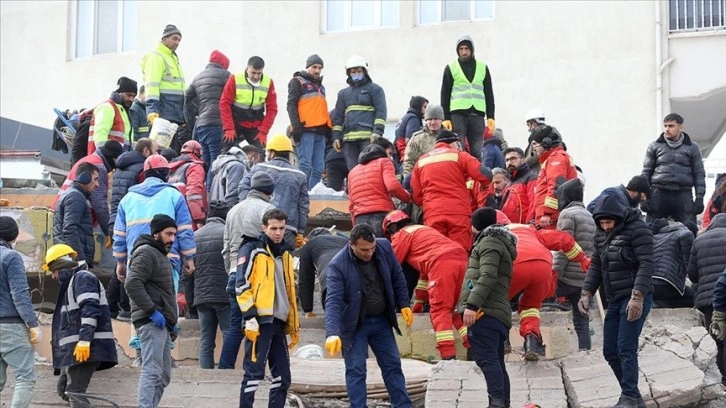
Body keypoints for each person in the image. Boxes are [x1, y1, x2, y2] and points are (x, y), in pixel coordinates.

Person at [113, 154, 197, 363]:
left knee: (138, 304)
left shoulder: (128, 199)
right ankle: (163, 355)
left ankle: (141, 356)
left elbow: (119, 234)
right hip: (169, 260)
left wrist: (120, 262)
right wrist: (189, 257)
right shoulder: (173, 195)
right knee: (167, 303)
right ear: (165, 174)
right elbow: (185, 229)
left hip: (137, 258)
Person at [324, 224, 413, 408]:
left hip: (381, 321)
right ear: (352, 245)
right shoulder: (338, 265)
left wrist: (404, 303)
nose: (369, 253)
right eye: (364, 250)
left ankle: (403, 405)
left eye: (372, 248)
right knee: (356, 370)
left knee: (393, 366)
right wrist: (332, 332)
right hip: (355, 325)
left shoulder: (384, 247)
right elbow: (333, 300)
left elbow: (397, 275)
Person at [579, 195, 654, 408]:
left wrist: (638, 296)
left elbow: (646, 264)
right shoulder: (601, 235)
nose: (605, 227)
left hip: (635, 296)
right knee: (610, 351)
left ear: (618, 218)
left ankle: (629, 396)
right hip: (614, 299)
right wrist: (586, 291)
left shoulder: (638, 230)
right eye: (601, 223)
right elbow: (596, 265)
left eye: (608, 223)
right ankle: (634, 397)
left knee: (625, 347)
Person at [384, 210, 469, 360]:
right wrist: (419, 302)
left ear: (392, 228)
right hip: (460, 258)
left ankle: (448, 356)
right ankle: (472, 345)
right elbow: (425, 274)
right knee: (454, 310)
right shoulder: (425, 232)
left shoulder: (402, 234)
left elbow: (392, 265)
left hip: (441, 262)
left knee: (440, 310)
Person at [235, 209, 300, 408]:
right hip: (260, 322)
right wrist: (250, 316)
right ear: (264, 228)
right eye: (273, 228)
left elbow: (288, 290)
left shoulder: (286, 254)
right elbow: (241, 284)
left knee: (283, 377)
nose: (278, 232)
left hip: (279, 322)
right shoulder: (252, 249)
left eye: (281, 228)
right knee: (253, 374)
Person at [505, 219, 590, 360]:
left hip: (516, 266)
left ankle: (503, 342)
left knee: (500, 303)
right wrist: (583, 260)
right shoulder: (534, 233)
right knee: (530, 307)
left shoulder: (501, 234)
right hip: (543, 267)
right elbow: (564, 239)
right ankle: (531, 342)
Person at [45, 244, 117, 406]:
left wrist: (84, 341)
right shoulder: (72, 282)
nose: (53, 276)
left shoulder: (82, 278)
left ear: (59, 265)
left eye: (52, 270)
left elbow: (90, 310)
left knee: (75, 392)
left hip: (84, 349)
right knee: (67, 391)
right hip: (74, 351)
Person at [459, 208, 516, 408]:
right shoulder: (499, 242)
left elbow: (487, 276)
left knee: (487, 359)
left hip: (485, 312)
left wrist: (472, 305)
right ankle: (502, 403)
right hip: (497, 313)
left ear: (476, 225)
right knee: (497, 361)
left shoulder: (489, 242)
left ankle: (497, 404)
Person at [218, 171, 276, 369]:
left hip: (235, 272)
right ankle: (251, 370)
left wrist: (232, 271)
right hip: (258, 277)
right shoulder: (269, 210)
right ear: (270, 192)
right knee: (258, 323)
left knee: (236, 326)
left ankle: (225, 369)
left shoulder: (233, 210)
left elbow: (226, 247)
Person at [125, 214, 179, 408]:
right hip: (151, 322)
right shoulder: (147, 252)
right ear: (156, 233)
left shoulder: (159, 254)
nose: (172, 239)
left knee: (163, 375)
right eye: (168, 234)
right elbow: (132, 283)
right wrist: (152, 311)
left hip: (162, 323)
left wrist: (172, 322)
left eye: (174, 234)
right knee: (152, 371)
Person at [411, 129, 492, 251]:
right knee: (461, 250)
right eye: (458, 144)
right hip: (458, 213)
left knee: (437, 252)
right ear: (452, 143)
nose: (459, 147)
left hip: (433, 214)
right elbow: (486, 175)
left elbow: (416, 196)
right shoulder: (459, 155)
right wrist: (485, 185)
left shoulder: (421, 162)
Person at [107, 139, 158, 319]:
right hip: (133, 220)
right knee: (131, 266)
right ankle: (126, 308)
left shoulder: (120, 168)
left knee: (121, 265)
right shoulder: (141, 170)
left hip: (117, 218)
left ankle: (111, 306)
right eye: (155, 151)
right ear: (146, 151)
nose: (157, 155)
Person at [238, 134, 308, 249]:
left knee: (259, 261)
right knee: (283, 263)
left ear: (272, 153)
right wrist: (300, 232)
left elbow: (242, 186)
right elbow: (303, 207)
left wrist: (247, 207)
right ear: (289, 153)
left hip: (261, 225)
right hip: (287, 228)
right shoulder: (300, 176)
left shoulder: (258, 168)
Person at [0, 216, 40, 408]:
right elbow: (19, 293)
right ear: (14, 237)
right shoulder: (11, 257)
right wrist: (32, 324)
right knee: (25, 377)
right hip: (10, 327)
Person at [552, 179, 596, 350]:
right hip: (584, 278)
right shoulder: (590, 216)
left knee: (532, 300)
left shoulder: (567, 215)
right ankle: (585, 353)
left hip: (567, 277)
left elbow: (563, 246)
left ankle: (534, 344)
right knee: (582, 322)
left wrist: (555, 273)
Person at [641, 113, 706, 230]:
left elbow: (699, 173)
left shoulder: (693, 147)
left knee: (689, 229)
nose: (667, 129)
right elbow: (646, 172)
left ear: (680, 127)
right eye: (665, 126)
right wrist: (644, 197)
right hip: (658, 192)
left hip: (683, 193)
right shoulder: (654, 146)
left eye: (671, 126)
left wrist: (700, 198)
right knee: (650, 230)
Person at [53, 140, 124, 242]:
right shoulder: (98, 167)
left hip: (63, 214)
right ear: (113, 159)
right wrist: (108, 231)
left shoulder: (89, 160)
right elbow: (99, 203)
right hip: (77, 218)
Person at [440, 34, 495, 161]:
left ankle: (476, 177)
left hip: (477, 113)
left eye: (466, 49)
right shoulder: (451, 67)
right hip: (457, 114)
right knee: (459, 148)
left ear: (472, 50)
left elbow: (489, 93)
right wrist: (446, 117)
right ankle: (460, 175)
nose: (464, 52)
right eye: (461, 49)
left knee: (477, 149)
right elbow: (445, 94)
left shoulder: (483, 67)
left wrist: (491, 116)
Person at [688, 212, 726, 388]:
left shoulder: (699, 240)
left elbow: (692, 274)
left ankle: (719, 381)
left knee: (716, 339)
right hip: (723, 292)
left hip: (708, 299)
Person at [331, 55, 387, 170]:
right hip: (348, 141)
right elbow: (338, 118)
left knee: (369, 170)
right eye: (353, 71)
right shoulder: (343, 94)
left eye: (359, 71)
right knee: (353, 172)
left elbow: (381, 113)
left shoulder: (375, 90)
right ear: (349, 73)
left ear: (365, 72)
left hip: (368, 138)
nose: (356, 73)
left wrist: (377, 132)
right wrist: (336, 137)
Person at [184, 50, 231, 187]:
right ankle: (210, 195)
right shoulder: (226, 75)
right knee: (216, 162)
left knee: (205, 161)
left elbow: (187, 98)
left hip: (201, 125)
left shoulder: (198, 77)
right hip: (217, 123)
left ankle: (203, 190)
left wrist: (194, 116)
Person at [193, 201, 231, 369]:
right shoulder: (228, 234)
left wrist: (190, 298)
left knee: (206, 339)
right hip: (224, 294)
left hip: (201, 295)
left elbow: (188, 272)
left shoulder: (195, 236)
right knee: (229, 334)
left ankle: (204, 373)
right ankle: (225, 370)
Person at [287, 54, 332, 189]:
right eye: (314, 67)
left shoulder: (321, 86)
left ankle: (309, 195)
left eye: (320, 68)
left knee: (318, 168)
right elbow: (291, 105)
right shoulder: (297, 81)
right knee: (305, 166)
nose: (317, 70)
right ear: (307, 67)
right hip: (305, 130)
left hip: (320, 132)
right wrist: (296, 125)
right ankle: (301, 193)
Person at [142, 24, 188, 153]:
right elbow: (152, 86)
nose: (177, 42)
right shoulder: (157, 57)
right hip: (163, 112)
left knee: (170, 152)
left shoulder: (171, 58)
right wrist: (152, 111)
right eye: (174, 38)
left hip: (172, 113)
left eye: (179, 40)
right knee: (160, 151)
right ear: (164, 38)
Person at [348, 144, 410, 237]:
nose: (390, 157)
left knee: (366, 249)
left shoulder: (353, 171)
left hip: (359, 217)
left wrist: (355, 224)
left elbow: (351, 204)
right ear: (383, 154)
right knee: (382, 248)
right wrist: (407, 198)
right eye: (389, 154)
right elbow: (392, 186)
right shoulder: (384, 162)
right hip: (380, 214)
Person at [220, 56, 278, 153]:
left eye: (259, 73)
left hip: (255, 125)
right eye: (253, 73)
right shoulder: (235, 79)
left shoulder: (268, 82)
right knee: (226, 152)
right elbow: (224, 104)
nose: (256, 76)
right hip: (235, 124)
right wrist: (229, 128)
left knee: (260, 154)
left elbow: (272, 109)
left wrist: (264, 131)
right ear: (247, 69)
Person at [530, 125, 577, 230]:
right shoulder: (552, 159)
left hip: (550, 219)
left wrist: (548, 213)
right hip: (548, 218)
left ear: (546, 143)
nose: (533, 149)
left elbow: (556, 185)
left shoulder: (556, 159)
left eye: (535, 144)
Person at [53, 163, 99, 266]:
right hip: (72, 262)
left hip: (68, 260)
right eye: (95, 179)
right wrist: (80, 261)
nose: (97, 184)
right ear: (85, 177)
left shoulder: (72, 194)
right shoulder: (75, 197)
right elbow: (70, 229)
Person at [298, 227, 348, 317]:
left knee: (334, 320)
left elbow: (305, 280)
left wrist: (308, 310)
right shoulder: (346, 241)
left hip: (330, 285)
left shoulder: (310, 244)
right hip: (355, 285)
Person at [648, 219, 694, 308]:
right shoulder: (684, 233)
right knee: (694, 297)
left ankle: (654, 303)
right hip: (667, 283)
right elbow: (690, 264)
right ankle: (657, 305)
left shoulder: (654, 238)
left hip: (648, 283)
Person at [87, 76, 137, 153]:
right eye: (129, 95)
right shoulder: (107, 107)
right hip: (105, 160)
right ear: (119, 93)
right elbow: (100, 136)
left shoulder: (124, 111)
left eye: (134, 96)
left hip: (118, 159)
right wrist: (105, 157)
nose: (131, 99)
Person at [169, 140, 208, 231]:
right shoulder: (195, 167)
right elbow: (194, 194)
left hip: (174, 216)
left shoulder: (173, 168)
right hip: (190, 217)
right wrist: (199, 219)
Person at [402, 104, 443, 177]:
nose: (433, 122)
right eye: (430, 119)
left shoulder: (450, 137)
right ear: (425, 120)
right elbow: (409, 161)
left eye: (436, 119)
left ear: (442, 119)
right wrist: (408, 179)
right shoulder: (417, 138)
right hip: (425, 179)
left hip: (447, 179)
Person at [500, 147, 536, 224]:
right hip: (510, 228)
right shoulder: (509, 183)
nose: (509, 162)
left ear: (522, 159)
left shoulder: (531, 178)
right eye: (507, 160)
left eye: (513, 158)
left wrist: (530, 224)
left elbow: (534, 203)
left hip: (524, 228)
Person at [394, 96, 428, 164]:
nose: (427, 110)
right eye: (425, 107)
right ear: (418, 106)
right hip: (408, 157)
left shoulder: (405, 117)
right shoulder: (413, 119)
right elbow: (411, 140)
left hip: (400, 156)